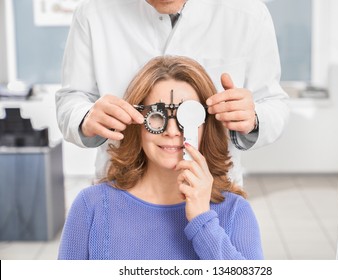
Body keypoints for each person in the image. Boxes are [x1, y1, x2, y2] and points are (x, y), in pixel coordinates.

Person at [55, 0, 289, 186]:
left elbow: (273, 103)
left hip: (211, 189)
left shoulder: (248, 13)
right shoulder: (93, 13)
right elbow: (71, 98)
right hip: (123, 187)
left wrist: (254, 118)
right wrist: (86, 118)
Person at [58, 56, 263, 260]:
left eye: (188, 117)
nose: (172, 131)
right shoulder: (91, 206)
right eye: (157, 117)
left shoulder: (236, 212)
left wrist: (203, 221)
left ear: (206, 127)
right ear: (137, 122)